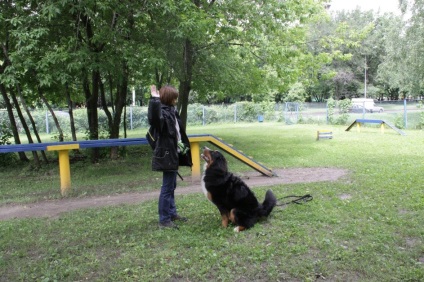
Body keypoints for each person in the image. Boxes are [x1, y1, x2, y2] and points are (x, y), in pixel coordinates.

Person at [147, 85, 192, 229]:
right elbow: (153, 118)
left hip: (174, 153)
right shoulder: (163, 114)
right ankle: (164, 220)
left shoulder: (172, 111)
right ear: (168, 98)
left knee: (172, 185)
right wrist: (155, 99)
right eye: (174, 97)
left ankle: (171, 213)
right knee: (167, 187)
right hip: (167, 155)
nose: (176, 100)